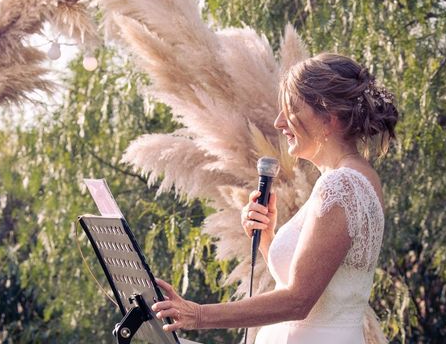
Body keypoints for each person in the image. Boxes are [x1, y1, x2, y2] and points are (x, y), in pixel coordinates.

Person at [151, 53, 398, 343]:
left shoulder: (340, 185)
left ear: (328, 119)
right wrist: (268, 239)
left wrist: (199, 315)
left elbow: (298, 302)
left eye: (291, 110)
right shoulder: (357, 180)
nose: (280, 122)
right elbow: (315, 287)